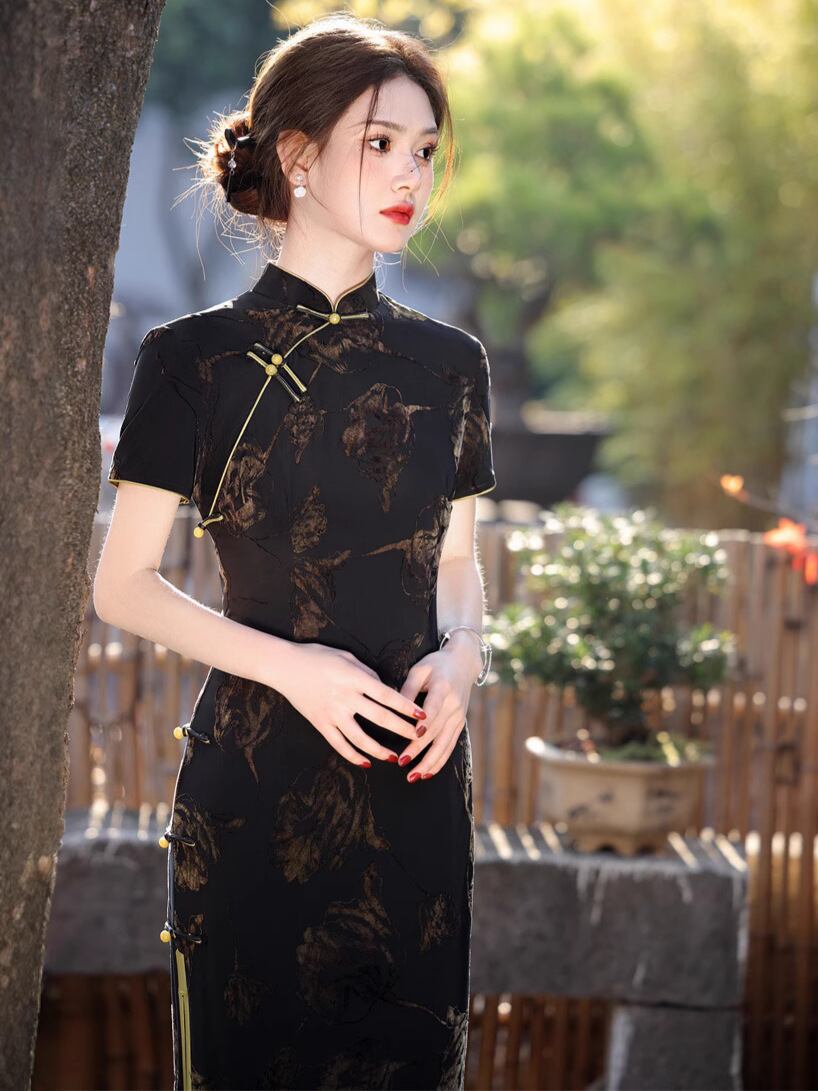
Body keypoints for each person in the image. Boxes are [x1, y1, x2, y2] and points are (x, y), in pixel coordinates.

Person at [93, 13, 497, 1091]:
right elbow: (122, 586)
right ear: (298, 155)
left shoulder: (451, 365)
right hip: (254, 789)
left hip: (416, 791)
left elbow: (456, 564)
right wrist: (294, 668)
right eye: (380, 142)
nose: (410, 173)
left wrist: (464, 656)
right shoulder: (192, 360)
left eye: (424, 149)